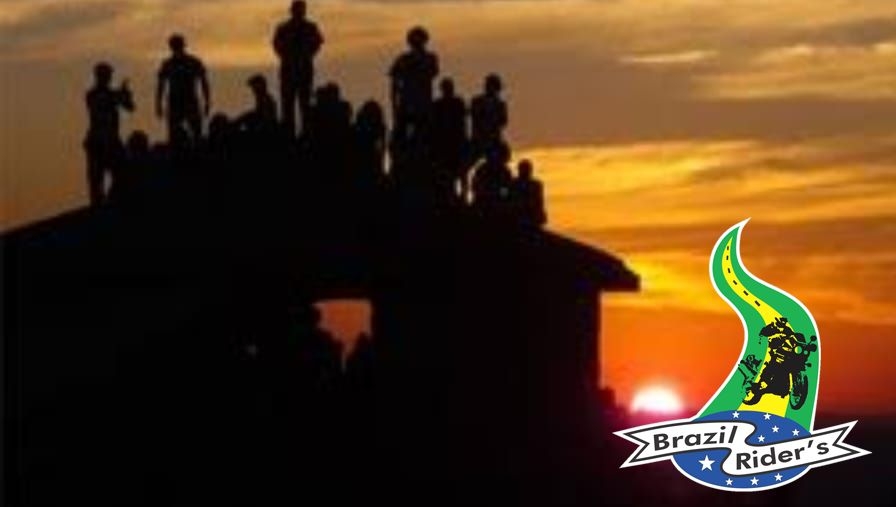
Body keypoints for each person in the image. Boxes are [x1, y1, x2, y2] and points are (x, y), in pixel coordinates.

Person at [84, 62, 134, 206]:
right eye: (106, 75)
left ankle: (112, 201)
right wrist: (123, 94)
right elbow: (121, 104)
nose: (108, 78)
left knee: (122, 174)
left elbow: (130, 107)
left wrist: (126, 94)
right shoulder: (92, 95)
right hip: (98, 142)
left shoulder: (109, 94)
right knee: (96, 181)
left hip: (109, 141)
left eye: (108, 75)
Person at [273, 0, 324, 137]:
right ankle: (289, 135)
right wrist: (288, 55)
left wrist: (307, 54)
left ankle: (305, 134)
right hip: (289, 71)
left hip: (303, 71)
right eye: (297, 10)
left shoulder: (310, 27)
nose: (299, 12)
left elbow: (318, 42)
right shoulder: (283, 28)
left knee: (304, 105)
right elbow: (277, 45)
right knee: (288, 106)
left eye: (300, 10)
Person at [389, 26, 439, 144]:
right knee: (401, 139)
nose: (417, 43)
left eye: (419, 39)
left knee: (424, 138)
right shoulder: (403, 59)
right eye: (414, 40)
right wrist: (394, 104)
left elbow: (432, 72)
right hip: (406, 104)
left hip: (423, 105)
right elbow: (394, 82)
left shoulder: (430, 58)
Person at [156, 33, 210, 142]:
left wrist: (207, 101)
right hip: (175, 102)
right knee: (174, 134)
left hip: (190, 101)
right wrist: (158, 104)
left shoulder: (193, 62)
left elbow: (204, 82)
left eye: (177, 45)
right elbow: (161, 86)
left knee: (196, 133)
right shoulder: (168, 64)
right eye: (175, 46)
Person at [432, 77, 468, 201]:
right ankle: (454, 196)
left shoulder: (456, 103)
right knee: (452, 174)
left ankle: (461, 196)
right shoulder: (439, 105)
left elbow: (462, 124)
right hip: (446, 145)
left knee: (459, 173)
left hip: (454, 144)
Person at [470, 73, 507, 164]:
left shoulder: (500, 104)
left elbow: (503, 121)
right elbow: (475, 116)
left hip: (492, 140)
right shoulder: (477, 101)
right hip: (479, 140)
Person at [510, 159, 546, 227]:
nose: (526, 172)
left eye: (527, 169)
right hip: (519, 216)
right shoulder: (513, 184)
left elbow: (539, 201)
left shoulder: (536, 184)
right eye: (524, 169)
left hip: (532, 216)